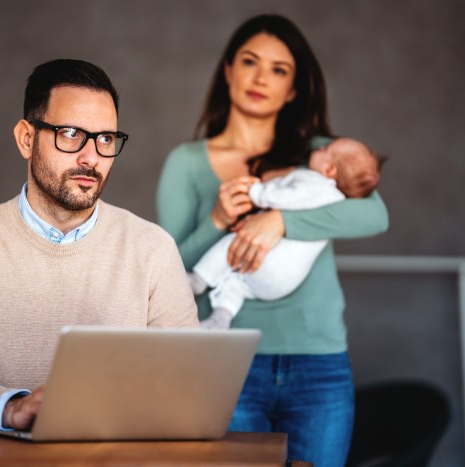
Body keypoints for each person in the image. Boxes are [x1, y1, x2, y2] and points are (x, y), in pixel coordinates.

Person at [0, 59, 199, 434]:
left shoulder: (154, 250)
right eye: (71, 133)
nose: (91, 157)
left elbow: (187, 387)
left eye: (106, 139)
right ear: (27, 139)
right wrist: (11, 409)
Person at [156, 15, 388, 467]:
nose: (262, 78)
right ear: (228, 70)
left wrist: (279, 220)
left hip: (320, 364)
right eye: (250, 62)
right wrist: (219, 219)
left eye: (279, 69)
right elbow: (168, 269)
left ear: (295, 88)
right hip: (227, 363)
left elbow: (376, 214)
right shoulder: (186, 163)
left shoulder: (325, 154)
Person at [191, 137, 383, 329]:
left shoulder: (316, 182)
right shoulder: (336, 199)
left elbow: (283, 197)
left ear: (329, 170)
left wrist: (255, 192)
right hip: (282, 282)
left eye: (325, 150)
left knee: (232, 244)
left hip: (272, 262)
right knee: (235, 285)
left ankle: (199, 280)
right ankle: (220, 319)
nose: (319, 148)